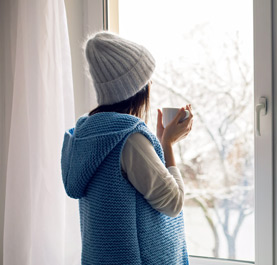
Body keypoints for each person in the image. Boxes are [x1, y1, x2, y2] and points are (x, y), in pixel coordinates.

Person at [61, 31, 192, 264]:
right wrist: (168, 144)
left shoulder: (87, 134)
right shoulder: (128, 139)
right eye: (147, 80)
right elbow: (173, 203)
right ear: (136, 89)